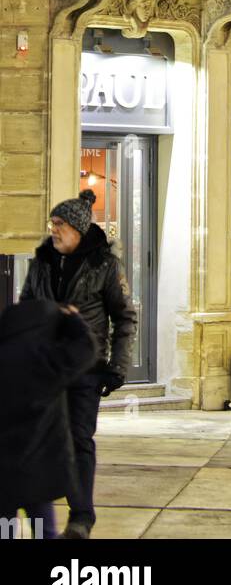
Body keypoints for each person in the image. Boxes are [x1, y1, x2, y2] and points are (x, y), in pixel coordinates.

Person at [19, 188, 137, 539]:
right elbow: (26, 307)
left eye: (60, 224)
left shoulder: (104, 266)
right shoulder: (41, 263)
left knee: (79, 439)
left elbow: (125, 318)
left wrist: (118, 366)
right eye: (52, 223)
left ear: (78, 229)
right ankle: (44, 516)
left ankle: (81, 516)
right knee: (39, 439)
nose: (53, 229)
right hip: (45, 369)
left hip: (86, 368)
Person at [0, 300, 98, 540]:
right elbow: (87, 348)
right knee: (45, 531)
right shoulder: (46, 360)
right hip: (39, 471)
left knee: (4, 531)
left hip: (3, 475)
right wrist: (74, 321)